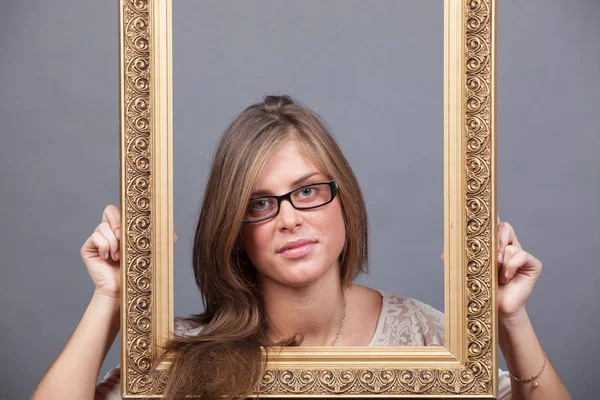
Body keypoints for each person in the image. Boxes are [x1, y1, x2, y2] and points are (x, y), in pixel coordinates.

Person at [31, 95, 570, 400]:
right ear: (234, 228)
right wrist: (112, 300)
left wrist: (509, 319)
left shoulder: (425, 335)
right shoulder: (183, 355)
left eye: (308, 191)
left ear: (344, 202)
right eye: (260, 203)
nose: (289, 219)